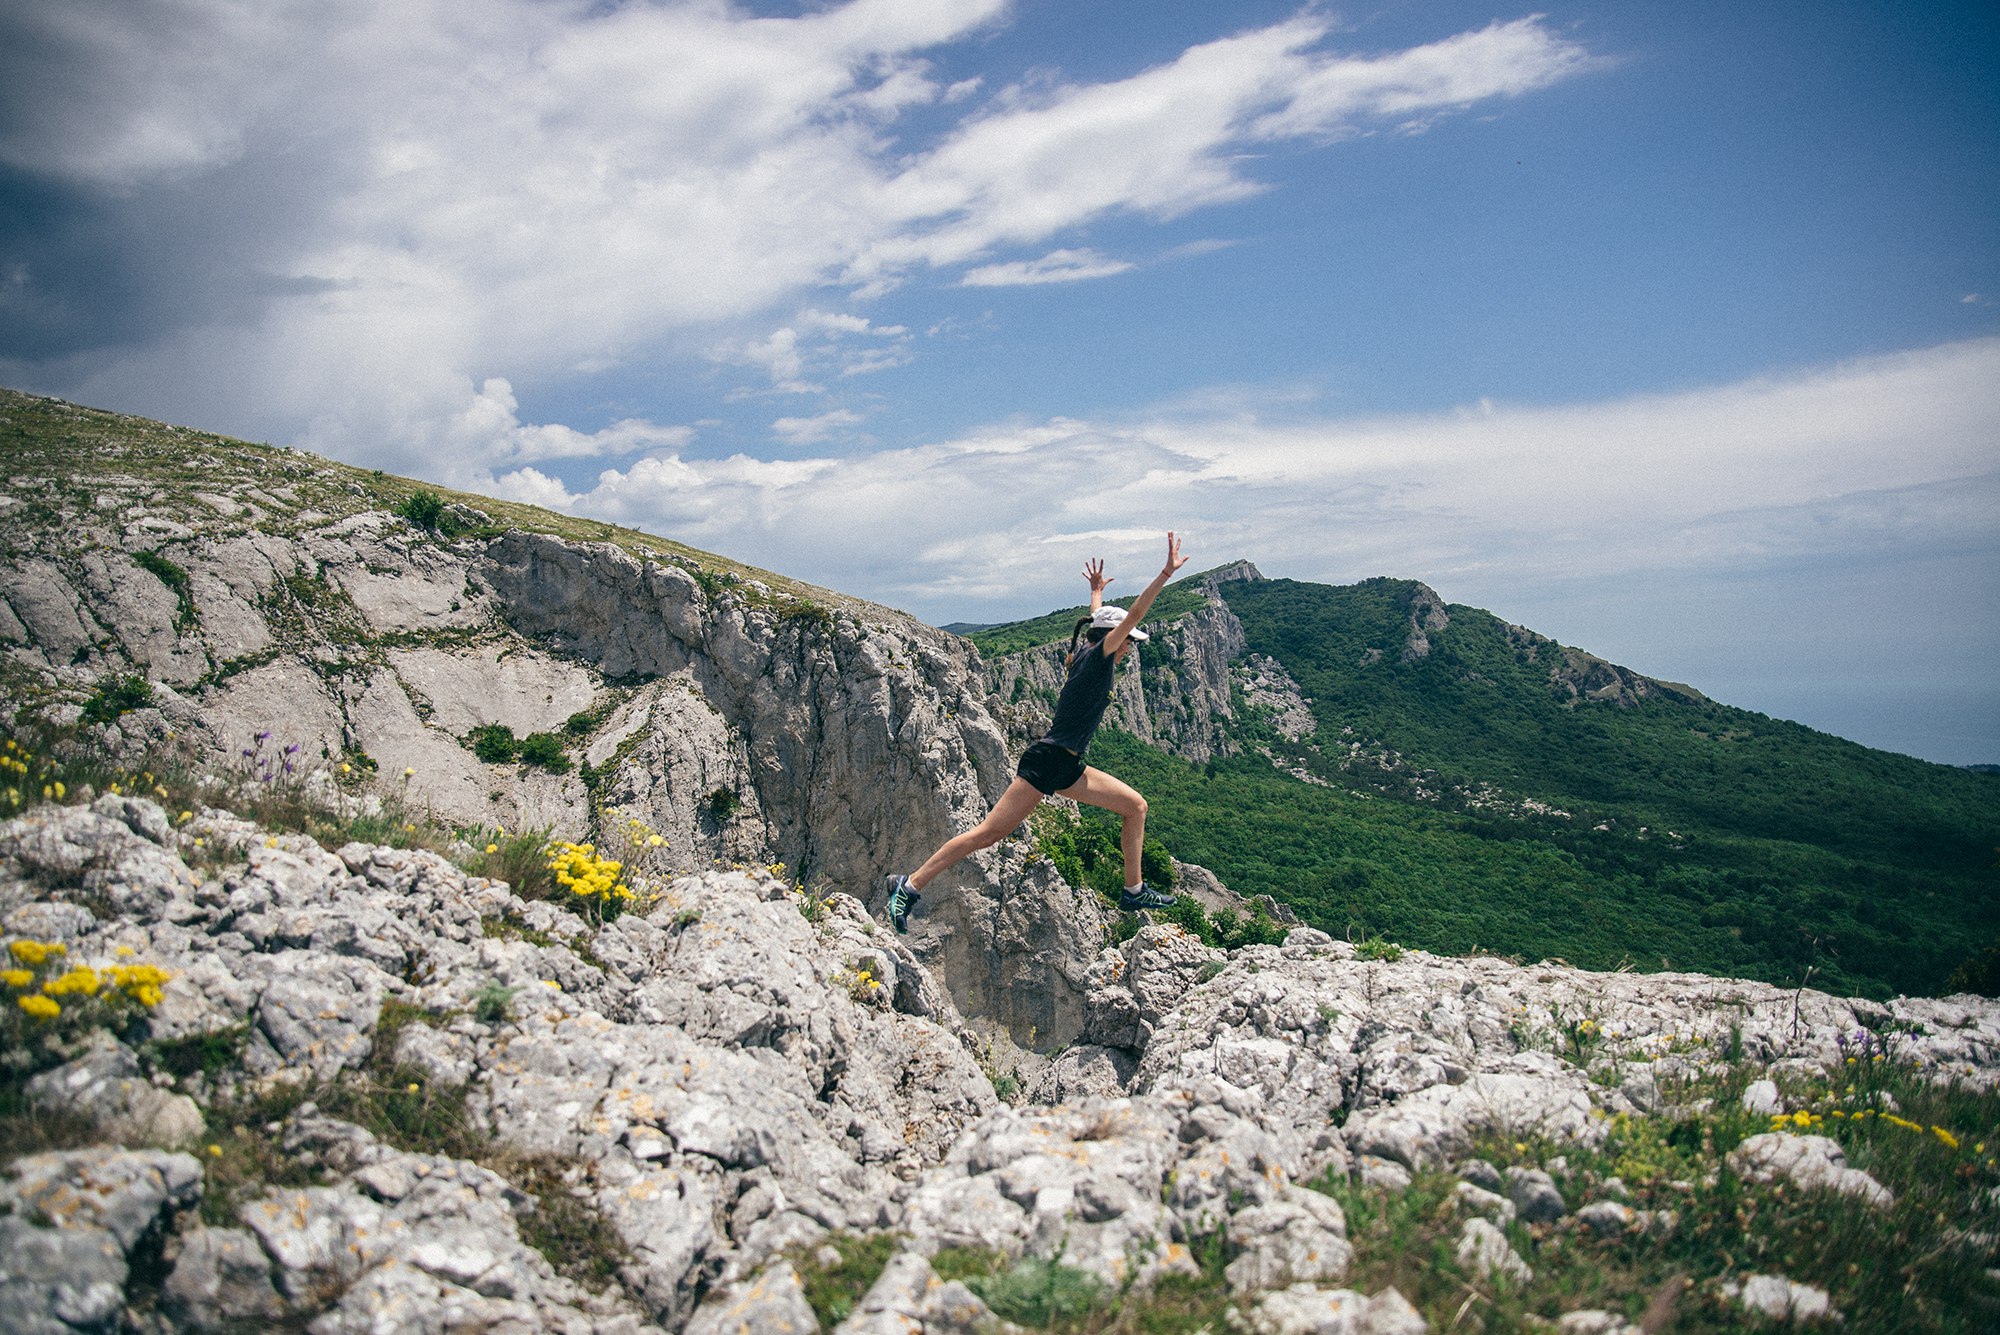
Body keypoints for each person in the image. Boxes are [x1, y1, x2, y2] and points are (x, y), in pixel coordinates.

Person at [882, 533, 1189, 933]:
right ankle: (909, 885)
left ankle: (1133, 890)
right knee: (988, 834)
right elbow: (1131, 616)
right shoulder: (1099, 657)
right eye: (1129, 641)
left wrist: (1096, 593)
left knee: (1136, 807)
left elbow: (1100, 620)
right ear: (1116, 640)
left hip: (1069, 766)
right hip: (1049, 763)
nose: (1131, 647)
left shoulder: (1083, 650)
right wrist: (1165, 573)